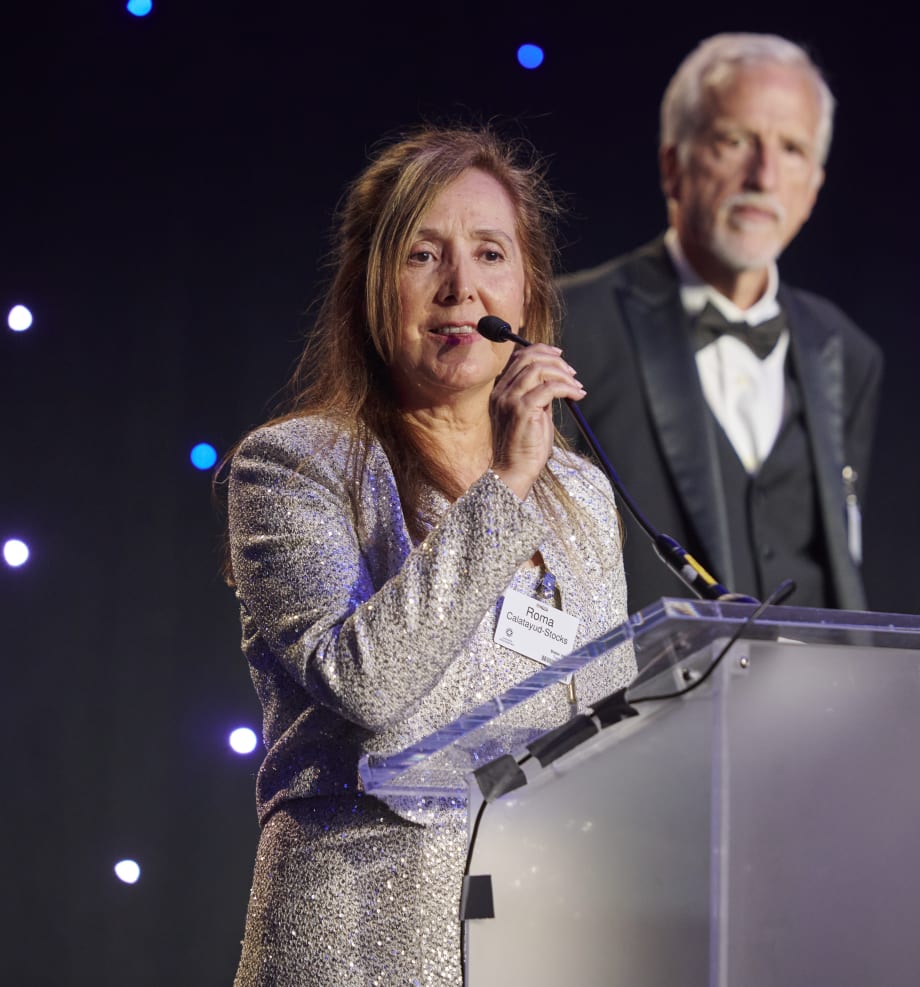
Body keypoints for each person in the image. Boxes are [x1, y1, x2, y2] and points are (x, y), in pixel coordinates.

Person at [223, 128, 633, 987]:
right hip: (359, 941)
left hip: (542, 939)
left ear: (525, 289)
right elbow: (369, 685)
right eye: (423, 254)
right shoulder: (293, 467)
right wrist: (508, 482)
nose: (461, 288)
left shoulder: (583, 493)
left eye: (490, 253)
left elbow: (613, 741)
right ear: (373, 285)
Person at [560, 33, 883, 613]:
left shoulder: (848, 352)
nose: (763, 176)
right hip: (639, 700)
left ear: (813, 186)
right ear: (672, 166)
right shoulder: (569, 324)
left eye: (791, 149)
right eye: (735, 141)